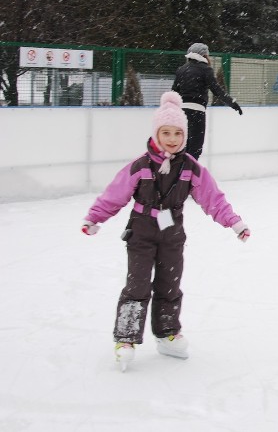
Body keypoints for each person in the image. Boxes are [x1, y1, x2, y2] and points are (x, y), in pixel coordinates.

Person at [81, 91, 251, 371]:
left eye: (177, 133)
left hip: (172, 231)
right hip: (142, 230)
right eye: (166, 132)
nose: (172, 139)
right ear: (156, 134)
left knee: (169, 284)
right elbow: (115, 194)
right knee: (137, 285)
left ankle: (167, 333)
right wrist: (95, 218)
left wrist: (234, 223)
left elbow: (213, 199)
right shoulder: (140, 166)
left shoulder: (191, 168)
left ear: (184, 136)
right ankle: (126, 338)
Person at [172, 43, 243, 159]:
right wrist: (233, 103)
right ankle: (188, 174)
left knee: (182, 147)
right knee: (195, 149)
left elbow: (174, 92)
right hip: (197, 112)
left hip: (181, 112)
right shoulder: (206, 69)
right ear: (204, 55)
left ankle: (179, 173)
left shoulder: (181, 70)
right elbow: (217, 90)